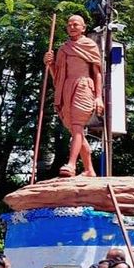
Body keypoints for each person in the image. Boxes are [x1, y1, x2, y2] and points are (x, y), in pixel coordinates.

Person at [43, 14, 103, 177]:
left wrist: (99, 97)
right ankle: (89, 170)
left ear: (83, 28)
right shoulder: (63, 49)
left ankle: (71, 165)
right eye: (69, 25)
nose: (72, 27)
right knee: (76, 131)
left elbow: (97, 73)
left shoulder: (89, 45)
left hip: (83, 87)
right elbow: (58, 77)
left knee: (77, 126)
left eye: (76, 24)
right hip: (66, 90)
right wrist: (50, 64)